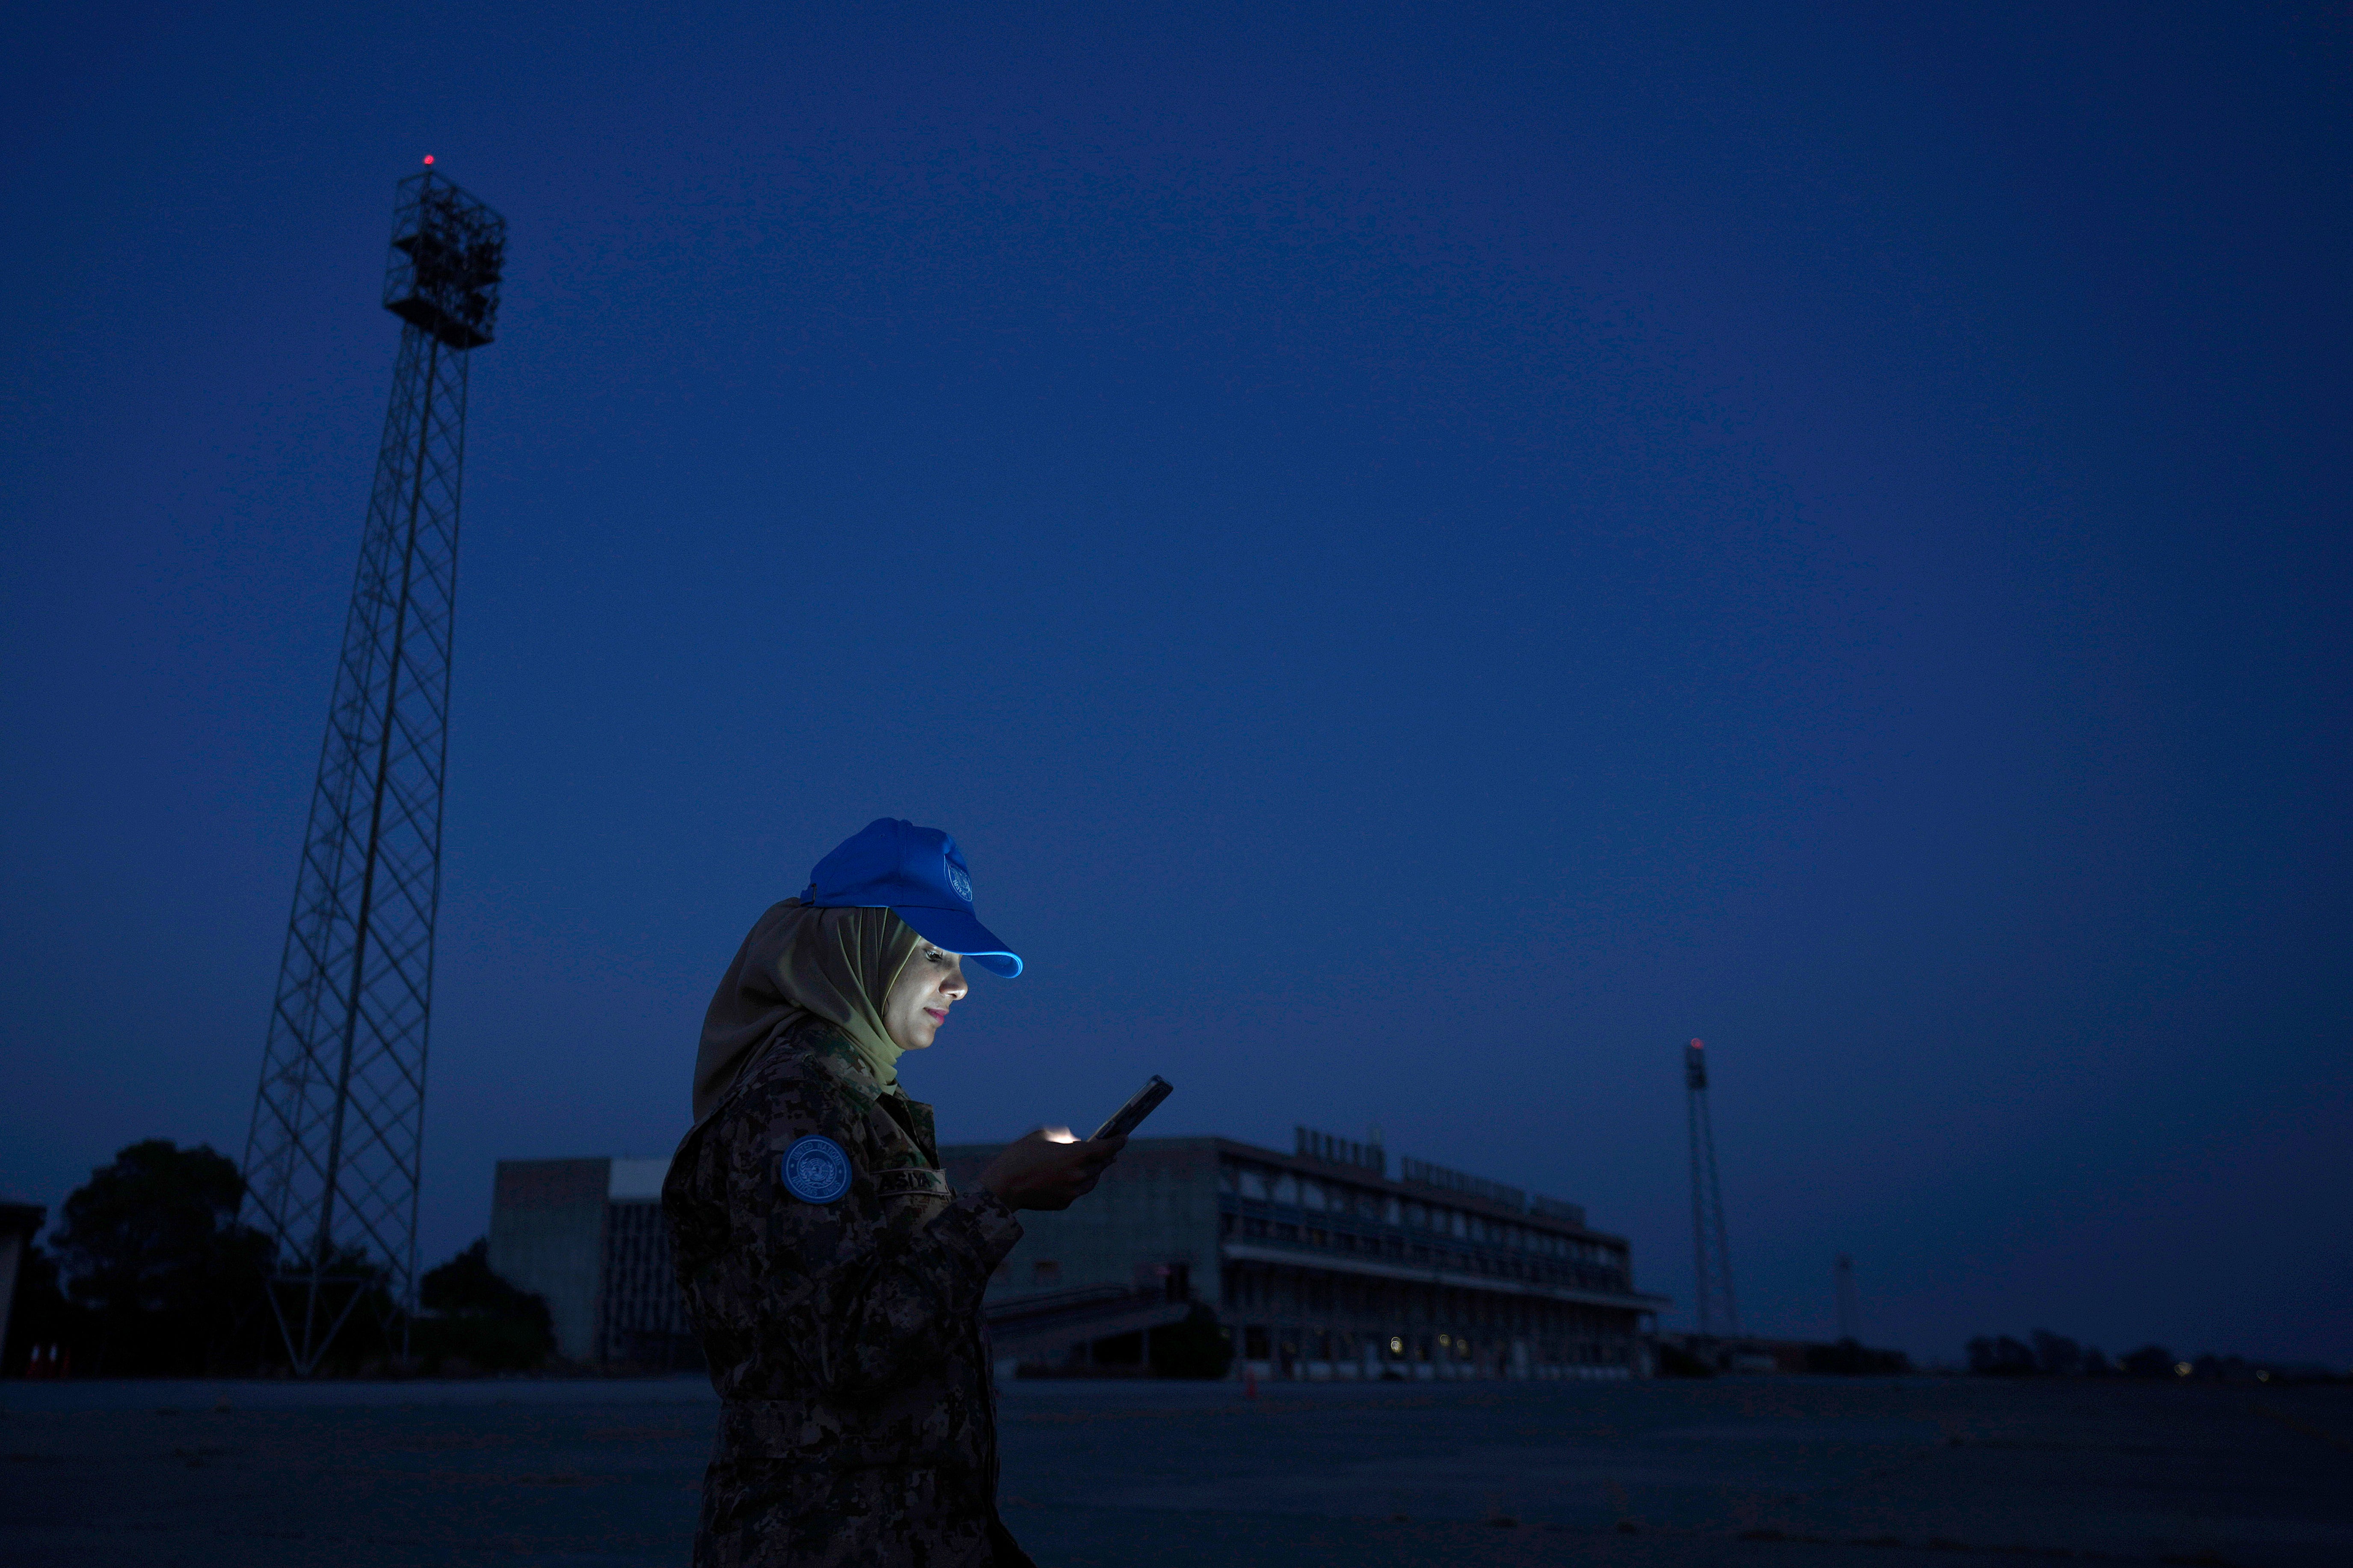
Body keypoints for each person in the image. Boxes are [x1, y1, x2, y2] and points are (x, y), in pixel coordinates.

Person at [664, 818, 1124, 1568]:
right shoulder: (796, 1107)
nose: (962, 984)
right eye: (936, 953)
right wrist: (998, 1199)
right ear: (861, 944)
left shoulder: (853, 1099)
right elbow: (845, 1346)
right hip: (822, 1541)